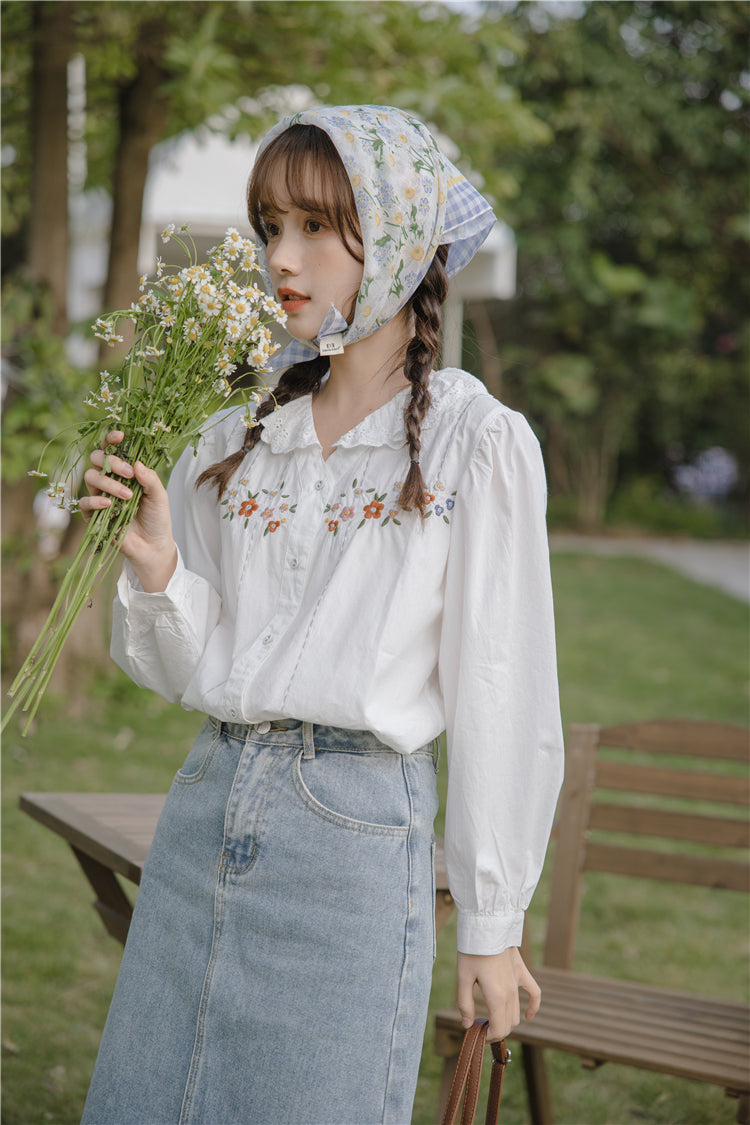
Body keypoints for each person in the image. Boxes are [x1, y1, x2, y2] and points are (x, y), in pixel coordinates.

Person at [79, 105, 564, 1125]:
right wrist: (162, 563)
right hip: (207, 800)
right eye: (268, 227)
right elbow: (190, 662)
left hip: (350, 838)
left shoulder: (476, 444)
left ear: (392, 236)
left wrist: (490, 920)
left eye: (311, 226)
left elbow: (501, 690)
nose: (279, 258)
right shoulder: (239, 434)